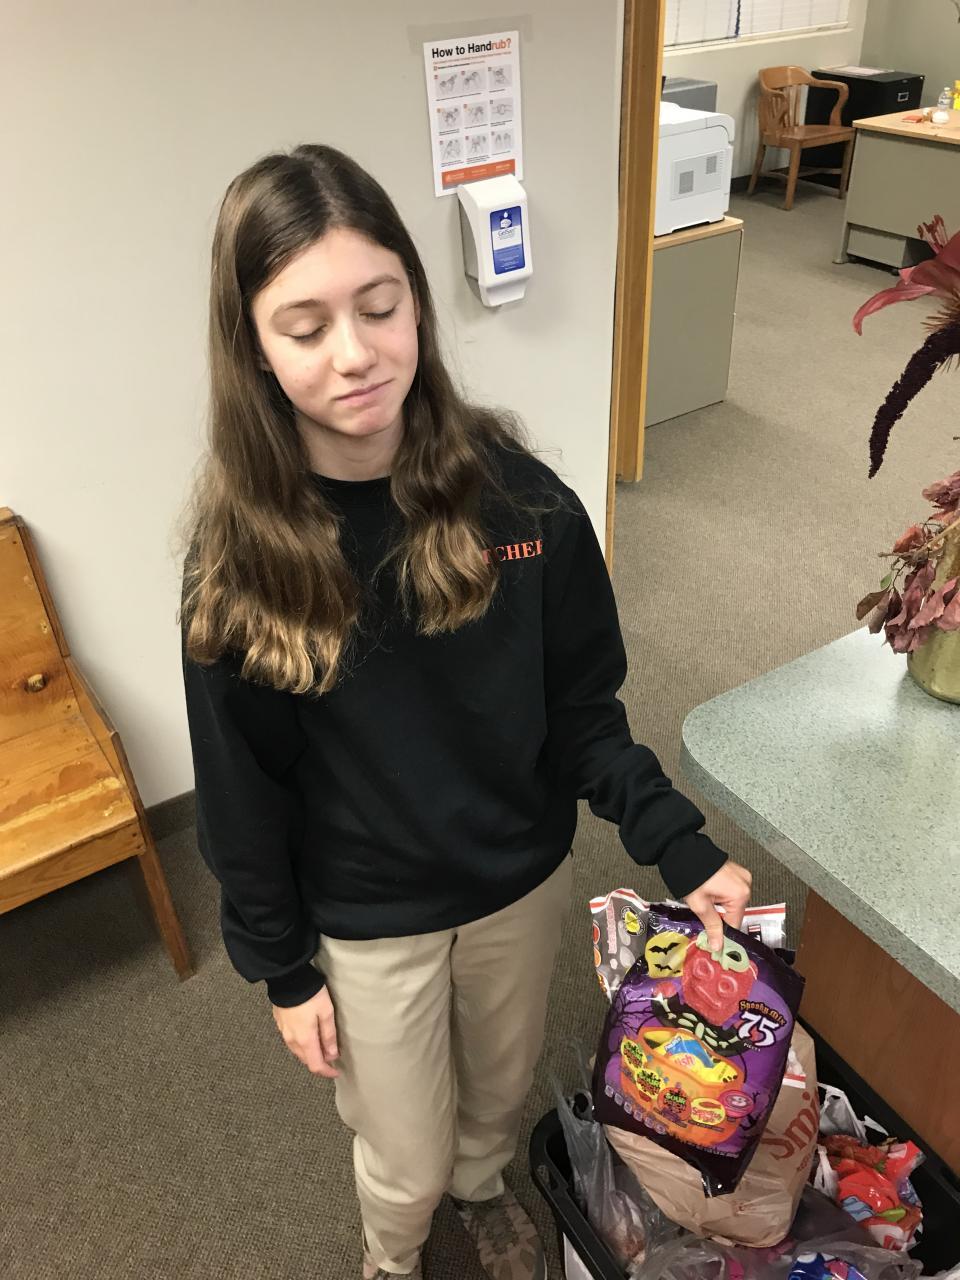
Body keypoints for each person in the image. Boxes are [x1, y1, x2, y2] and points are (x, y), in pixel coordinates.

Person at [180, 144, 752, 1280]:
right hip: (368, 911)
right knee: (402, 1154)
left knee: (496, 1096)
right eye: (305, 326)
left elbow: (582, 708)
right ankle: (394, 1257)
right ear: (252, 346)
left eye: (380, 306)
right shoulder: (242, 563)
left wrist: (678, 843)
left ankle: (484, 1194)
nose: (355, 354)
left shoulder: (524, 502)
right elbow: (240, 794)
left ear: (417, 302)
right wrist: (283, 969)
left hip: (516, 877)